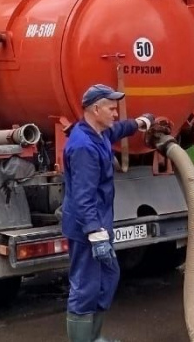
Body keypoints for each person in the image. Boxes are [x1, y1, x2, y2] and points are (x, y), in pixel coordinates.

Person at [62, 84, 154, 342]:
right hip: (86, 229)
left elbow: (118, 130)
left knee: (108, 278)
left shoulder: (99, 133)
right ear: (95, 109)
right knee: (86, 287)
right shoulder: (83, 147)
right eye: (111, 108)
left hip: (100, 223)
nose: (115, 113)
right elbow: (83, 197)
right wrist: (95, 233)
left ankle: (94, 336)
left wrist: (140, 123)